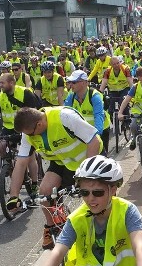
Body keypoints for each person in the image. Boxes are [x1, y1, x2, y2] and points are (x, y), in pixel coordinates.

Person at [10, 107, 102, 249]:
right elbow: (21, 163)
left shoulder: (65, 117)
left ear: (39, 124)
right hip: (62, 161)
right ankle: (51, 226)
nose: (30, 137)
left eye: (31, 133)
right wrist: (13, 197)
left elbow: (94, 141)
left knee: (94, 198)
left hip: (88, 158)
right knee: (44, 192)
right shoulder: (28, 133)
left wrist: (86, 174)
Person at [63, 70, 111, 155]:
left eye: (74, 82)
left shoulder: (94, 96)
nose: (71, 85)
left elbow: (98, 116)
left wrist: (96, 136)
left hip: (100, 129)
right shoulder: (71, 95)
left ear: (84, 83)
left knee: (100, 158)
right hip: (83, 130)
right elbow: (64, 112)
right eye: (70, 82)